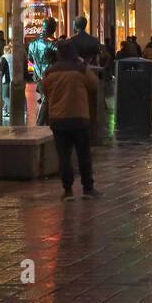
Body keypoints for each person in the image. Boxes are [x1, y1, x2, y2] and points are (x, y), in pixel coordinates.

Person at [41, 46, 101, 199]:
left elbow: (44, 90)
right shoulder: (81, 70)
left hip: (58, 120)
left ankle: (67, 189)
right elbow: (94, 84)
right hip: (79, 117)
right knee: (84, 155)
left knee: (63, 155)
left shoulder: (50, 71)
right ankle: (87, 188)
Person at [29, 18, 59, 126]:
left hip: (38, 75)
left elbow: (31, 59)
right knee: (47, 99)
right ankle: (40, 123)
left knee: (46, 98)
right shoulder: (54, 43)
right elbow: (58, 59)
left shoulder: (32, 43)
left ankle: (45, 123)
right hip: (50, 75)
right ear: (53, 28)